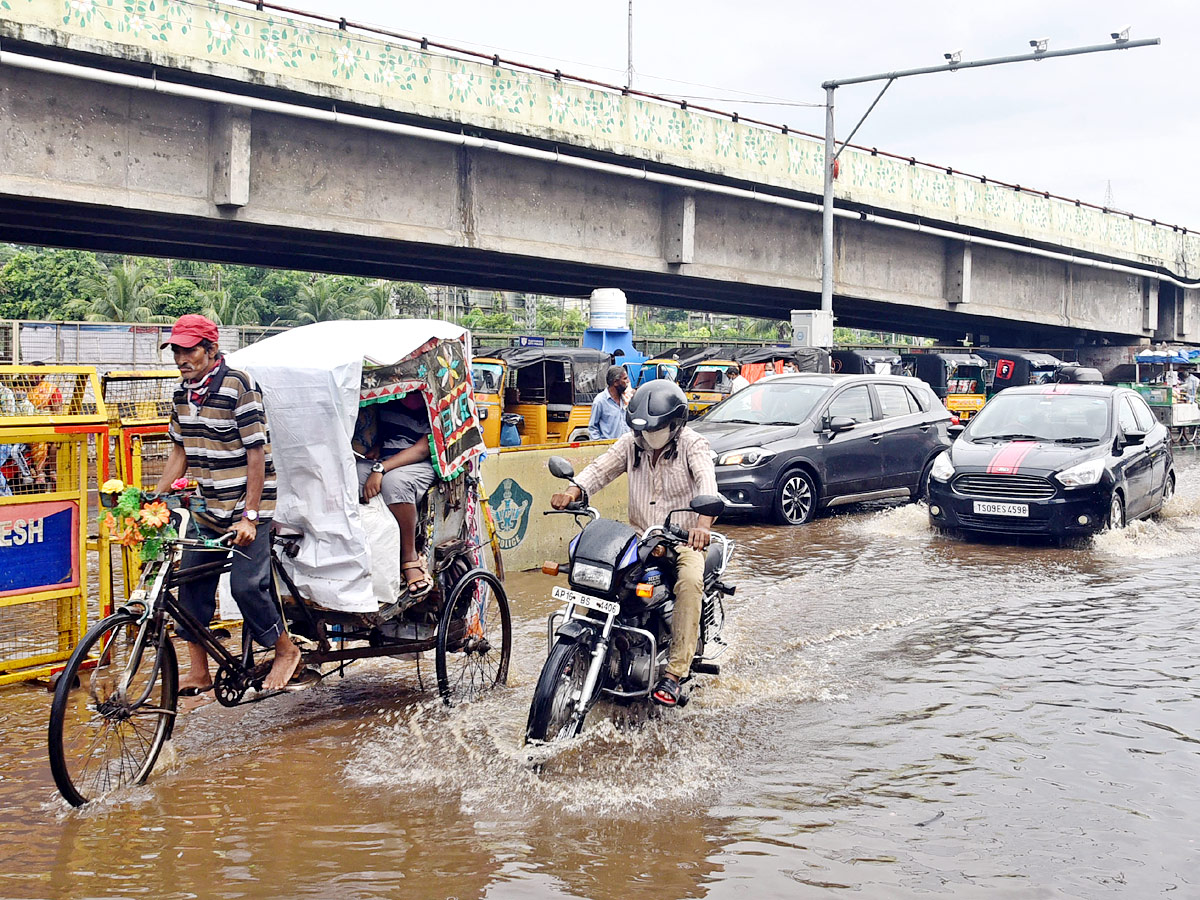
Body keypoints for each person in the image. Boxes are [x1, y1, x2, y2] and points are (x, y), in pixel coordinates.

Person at [153, 314, 301, 694]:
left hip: (250, 507)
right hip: (207, 509)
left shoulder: (239, 386)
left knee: (246, 587)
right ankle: (199, 671)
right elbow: (179, 452)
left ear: (211, 349)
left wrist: (250, 517)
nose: (182, 358)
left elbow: (257, 453)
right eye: (177, 351)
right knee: (191, 586)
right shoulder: (181, 395)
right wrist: (153, 496)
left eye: (190, 349)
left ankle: (285, 650)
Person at [551, 379, 718, 707]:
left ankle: (673, 674)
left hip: (682, 540)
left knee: (689, 581)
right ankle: (592, 649)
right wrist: (573, 491)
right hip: (641, 537)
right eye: (643, 431)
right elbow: (601, 469)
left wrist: (702, 524)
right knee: (604, 579)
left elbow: (706, 481)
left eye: (655, 430)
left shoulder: (692, 445)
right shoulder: (632, 443)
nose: (648, 438)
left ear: (675, 424)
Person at [352, 391, 438, 596]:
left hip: (420, 463)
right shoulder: (388, 399)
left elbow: (421, 450)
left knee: (395, 483)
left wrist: (381, 469)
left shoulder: (433, 402)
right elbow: (387, 436)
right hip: (386, 458)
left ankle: (409, 557)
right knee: (349, 476)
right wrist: (377, 449)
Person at [587, 365, 631, 441]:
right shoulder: (600, 401)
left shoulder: (626, 398)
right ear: (616, 382)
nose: (628, 381)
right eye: (625, 378)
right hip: (609, 448)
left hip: (626, 447)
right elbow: (592, 427)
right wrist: (600, 445)